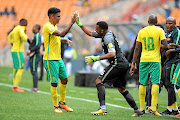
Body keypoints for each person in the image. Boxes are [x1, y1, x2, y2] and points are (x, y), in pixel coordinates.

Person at [75, 12, 143, 117]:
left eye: (97, 28)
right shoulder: (105, 33)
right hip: (122, 63)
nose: (95, 30)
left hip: (117, 63)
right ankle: (137, 110)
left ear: (102, 30)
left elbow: (112, 53)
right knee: (121, 89)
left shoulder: (107, 38)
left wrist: (96, 58)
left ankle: (102, 108)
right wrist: (80, 24)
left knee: (99, 81)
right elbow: (89, 33)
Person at [129, 14, 168, 116]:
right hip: (155, 60)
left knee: (142, 83)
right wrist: (160, 49)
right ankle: (154, 109)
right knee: (155, 83)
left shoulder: (141, 31)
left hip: (143, 60)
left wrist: (133, 63)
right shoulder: (160, 30)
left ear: (148, 22)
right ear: (156, 22)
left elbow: (136, 48)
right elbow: (165, 45)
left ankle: (141, 109)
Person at [42, 7, 77, 113]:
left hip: (58, 59)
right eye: (58, 16)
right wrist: (71, 23)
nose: (59, 18)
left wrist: (65, 40)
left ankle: (62, 103)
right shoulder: (48, 27)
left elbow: (57, 38)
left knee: (65, 80)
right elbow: (60, 34)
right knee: (54, 83)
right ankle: (55, 106)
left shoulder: (54, 26)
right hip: (50, 59)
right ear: (51, 16)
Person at [160, 17, 180, 115]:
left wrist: (169, 48)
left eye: (170, 23)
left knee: (171, 84)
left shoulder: (177, 32)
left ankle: (171, 108)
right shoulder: (166, 33)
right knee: (167, 83)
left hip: (174, 60)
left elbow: (174, 45)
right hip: (167, 61)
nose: (168, 25)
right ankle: (174, 108)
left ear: (175, 24)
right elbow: (164, 45)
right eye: (167, 23)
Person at [8, 19, 28, 92]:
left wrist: (11, 42)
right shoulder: (21, 29)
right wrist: (26, 37)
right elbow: (24, 38)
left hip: (14, 50)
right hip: (18, 51)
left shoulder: (15, 28)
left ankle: (14, 85)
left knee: (16, 68)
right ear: (24, 24)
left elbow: (9, 36)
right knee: (21, 68)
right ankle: (15, 87)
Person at [26, 24, 42, 92]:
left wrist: (30, 50)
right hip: (33, 55)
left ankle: (35, 88)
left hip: (35, 55)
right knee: (33, 71)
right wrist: (26, 38)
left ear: (37, 29)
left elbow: (38, 45)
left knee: (34, 71)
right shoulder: (35, 35)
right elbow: (32, 43)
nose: (32, 28)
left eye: (34, 27)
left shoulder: (38, 35)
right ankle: (34, 87)